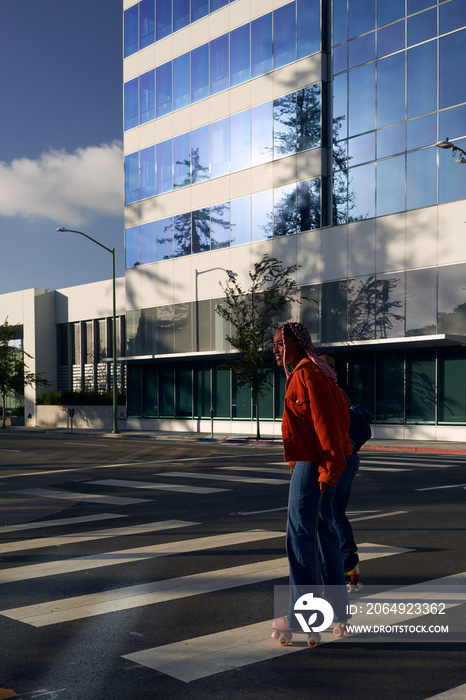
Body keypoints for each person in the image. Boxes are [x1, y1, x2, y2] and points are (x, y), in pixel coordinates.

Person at [272, 322, 353, 633]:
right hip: (321, 464)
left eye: (280, 343)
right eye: (275, 344)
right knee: (324, 533)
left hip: (314, 463)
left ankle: (302, 616)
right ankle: (337, 613)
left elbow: (326, 424)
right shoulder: (313, 372)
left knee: (299, 537)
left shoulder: (307, 373)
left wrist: (329, 468)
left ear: (297, 343)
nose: (276, 350)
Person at [319, 352, 361, 590]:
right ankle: (350, 569)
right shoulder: (338, 393)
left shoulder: (337, 393)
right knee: (337, 515)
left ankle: (337, 572)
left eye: (332, 366)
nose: (327, 369)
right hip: (347, 458)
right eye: (323, 364)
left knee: (329, 516)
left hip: (341, 459)